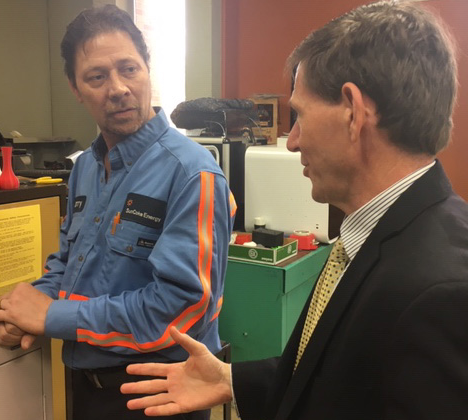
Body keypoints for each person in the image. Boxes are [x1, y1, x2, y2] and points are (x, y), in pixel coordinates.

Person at [119, 1, 468, 419]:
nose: (295, 140)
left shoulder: (440, 293)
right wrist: (232, 380)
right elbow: (342, 376)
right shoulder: (380, 237)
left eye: (299, 114)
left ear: (353, 111)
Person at [0, 5, 235, 420]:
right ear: (75, 87)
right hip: (88, 390)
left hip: (161, 397)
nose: (117, 88)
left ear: (147, 70)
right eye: (97, 77)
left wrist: (51, 315)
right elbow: (70, 266)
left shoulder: (193, 174)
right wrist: (23, 309)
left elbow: (180, 310)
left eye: (129, 69)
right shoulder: (84, 167)